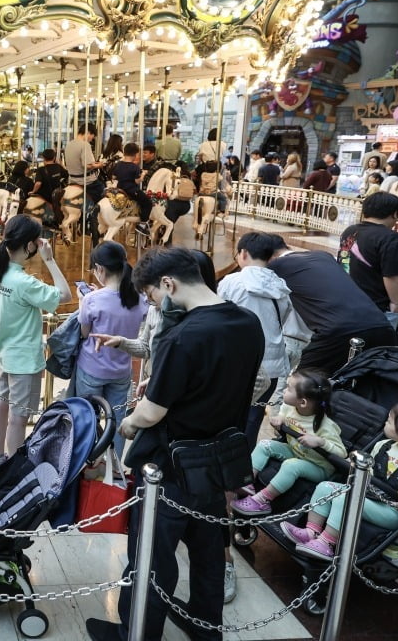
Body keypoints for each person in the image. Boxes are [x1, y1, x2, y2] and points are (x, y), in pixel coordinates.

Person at [85, 248, 264, 641]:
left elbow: (152, 412)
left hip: (173, 464)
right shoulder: (248, 322)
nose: (152, 302)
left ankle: (138, 631)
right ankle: (205, 626)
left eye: (151, 295)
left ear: (169, 284)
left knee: (152, 553)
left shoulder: (184, 336)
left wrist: (128, 424)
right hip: (220, 460)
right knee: (207, 552)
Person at [280, 404, 398, 562]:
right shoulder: (385, 445)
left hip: (393, 512)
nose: (385, 423)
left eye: (388, 421)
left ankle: (326, 543)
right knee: (325, 487)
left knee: (345, 497)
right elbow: (370, 470)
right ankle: (311, 531)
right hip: (368, 495)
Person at [0, 215, 71, 466]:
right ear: (29, 245)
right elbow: (65, 295)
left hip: (3, 352)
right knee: (18, 417)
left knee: (1, 407)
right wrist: (50, 260)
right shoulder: (24, 282)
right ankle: (14, 471)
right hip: (23, 359)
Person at [248, 233, 397, 371]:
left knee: (300, 390)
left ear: (269, 256)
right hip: (381, 326)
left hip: (336, 332)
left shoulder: (276, 267)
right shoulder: (323, 256)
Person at [217, 232, 301, 443]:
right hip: (271, 366)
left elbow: (218, 318)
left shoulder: (232, 282)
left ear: (243, 253)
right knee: (252, 420)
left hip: (238, 362)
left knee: (226, 418)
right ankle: (244, 466)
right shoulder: (280, 286)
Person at [230, 370, 344, 516]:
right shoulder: (290, 407)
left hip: (318, 466)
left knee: (291, 465)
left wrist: (320, 441)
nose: (284, 390)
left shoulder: (325, 426)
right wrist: (280, 418)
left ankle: (262, 501)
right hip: (295, 450)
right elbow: (284, 413)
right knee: (265, 444)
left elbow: (342, 453)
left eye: (289, 388)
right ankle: (247, 480)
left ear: (302, 402)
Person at [75, 242, 147, 458]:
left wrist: (83, 301)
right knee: (116, 419)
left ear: (100, 269)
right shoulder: (140, 298)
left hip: (92, 369)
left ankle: (89, 462)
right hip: (121, 370)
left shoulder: (91, 299)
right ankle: (113, 467)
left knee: (89, 418)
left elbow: (85, 333)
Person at [338, 192, 398, 322]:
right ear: (394, 214)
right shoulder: (390, 238)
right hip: (373, 306)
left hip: (345, 298)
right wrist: (395, 304)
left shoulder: (350, 230)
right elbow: (392, 276)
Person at [110, 142, 152, 233]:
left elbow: (113, 177)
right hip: (131, 190)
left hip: (120, 189)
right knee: (148, 202)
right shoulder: (134, 167)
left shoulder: (118, 164)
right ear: (135, 154)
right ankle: (142, 224)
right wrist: (143, 175)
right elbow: (137, 181)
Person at [64, 123, 105, 208]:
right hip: (86, 181)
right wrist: (100, 165)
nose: (92, 138)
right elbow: (87, 165)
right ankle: (95, 215)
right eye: (93, 135)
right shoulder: (85, 145)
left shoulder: (69, 144)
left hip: (72, 180)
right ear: (88, 132)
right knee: (103, 191)